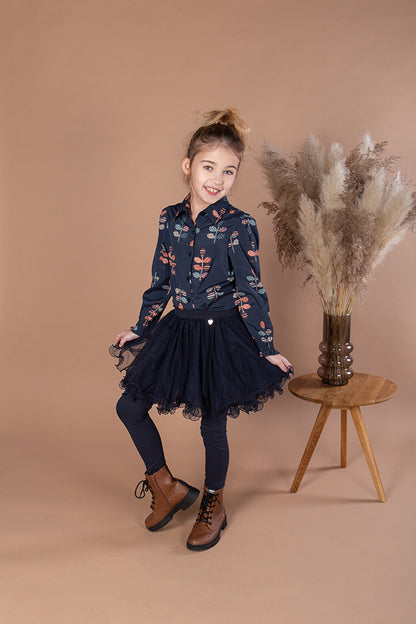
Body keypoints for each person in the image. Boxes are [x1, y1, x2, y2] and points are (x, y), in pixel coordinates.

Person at [110, 107, 293, 552]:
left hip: (222, 335)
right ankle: (167, 487)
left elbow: (250, 289)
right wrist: (140, 327)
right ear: (187, 166)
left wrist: (266, 346)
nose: (217, 180)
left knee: (212, 425)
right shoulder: (169, 218)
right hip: (179, 330)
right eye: (209, 167)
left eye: (228, 171)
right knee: (129, 407)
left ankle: (214, 502)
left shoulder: (239, 225)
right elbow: (160, 281)